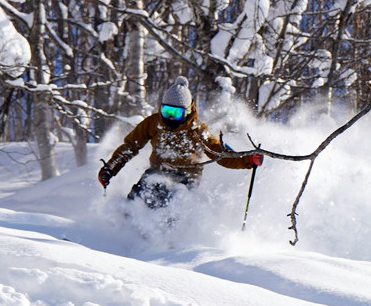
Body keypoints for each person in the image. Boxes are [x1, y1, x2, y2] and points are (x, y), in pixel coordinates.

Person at [97, 76, 263, 209]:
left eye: (175, 113)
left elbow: (219, 152)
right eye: (166, 111)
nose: (169, 117)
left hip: (185, 178)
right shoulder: (153, 123)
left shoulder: (197, 130)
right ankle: (125, 233)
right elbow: (130, 146)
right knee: (139, 195)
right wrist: (110, 169)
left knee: (167, 198)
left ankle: (169, 242)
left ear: (187, 111)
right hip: (156, 172)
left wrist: (247, 160)